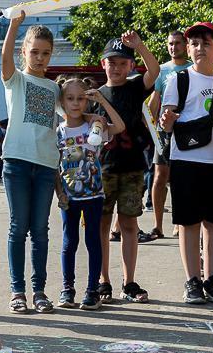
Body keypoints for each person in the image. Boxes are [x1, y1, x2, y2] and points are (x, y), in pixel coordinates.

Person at [162, 21, 213, 305]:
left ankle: (212, 279)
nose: (199, 49)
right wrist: (167, 120)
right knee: (189, 223)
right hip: (187, 160)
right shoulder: (179, 80)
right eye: (194, 43)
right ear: (188, 47)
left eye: (206, 43)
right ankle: (192, 280)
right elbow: (167, 122)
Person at [0, 13, 61, 313]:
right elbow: (4, 59)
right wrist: (14, 25)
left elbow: (72, 114)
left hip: (46, 165)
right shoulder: (16, 80)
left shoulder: (55, 89)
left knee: (40, 230)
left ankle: (39, 291)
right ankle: (17, 291)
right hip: (17, 162)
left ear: (51, 55)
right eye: (34, 51)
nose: (39, 58)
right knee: (18, 227)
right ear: (23, 51)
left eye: (45, 53)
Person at [96, 31, 159, 303]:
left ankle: (129, 281)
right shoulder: (95, 95)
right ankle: (102, 280)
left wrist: (140, 46)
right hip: (103, 168)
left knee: (129, 224)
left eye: (123, 63)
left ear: (131, 66)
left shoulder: (134, 88)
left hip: (132, 166)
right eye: (112, 62)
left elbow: (154, 71)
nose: (117, 67)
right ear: (103, 64)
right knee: (101, 224)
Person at [55, 77, 124, 310]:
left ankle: (92, 291)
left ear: (87, 101)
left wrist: (102, 103)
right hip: (69, 197)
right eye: (70, 98)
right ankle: (67, 289)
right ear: (62, 101)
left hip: (94, 195)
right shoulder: (59, 131)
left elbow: (120, 127)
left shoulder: (94, 126)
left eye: (80, 98)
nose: (75, 103)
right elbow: (55, 166)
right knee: (69, 242)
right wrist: (59, 193)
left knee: (93, 241)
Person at [147, 29, 190, 239]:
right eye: (170, 43)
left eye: (178, 43)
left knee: (181, 179)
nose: (174, 47)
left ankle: (180, 222)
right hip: (163, 132)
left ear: (186, 45)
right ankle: (158, 225)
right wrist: (150, 128)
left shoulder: (194, 68)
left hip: (186, 130)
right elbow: (154, 102)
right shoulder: (162, 70)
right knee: (159, 177)